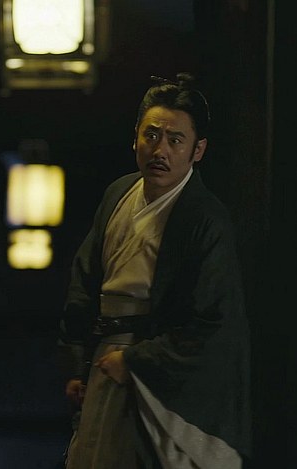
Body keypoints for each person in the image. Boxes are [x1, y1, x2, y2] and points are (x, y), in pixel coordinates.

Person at [58, 73, 251, 468]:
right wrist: (78, 362)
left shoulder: (205, 218)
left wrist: (137, 361)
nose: (160, 149)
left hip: (155, 366)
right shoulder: (119, 194)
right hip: (104, 356)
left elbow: (213, 321)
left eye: (175, 140)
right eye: (151, 135)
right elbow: (85, 281)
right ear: (135, 138)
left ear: (198, 150)